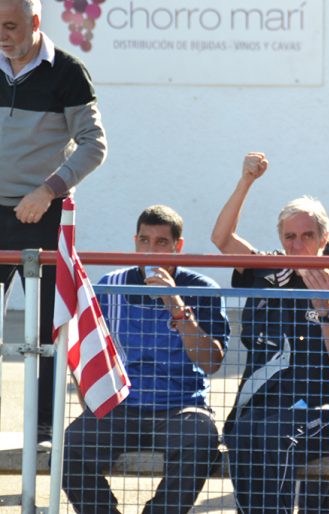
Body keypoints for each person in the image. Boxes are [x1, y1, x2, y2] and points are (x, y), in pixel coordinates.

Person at [211, 152, 329, 514]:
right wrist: (246, 181)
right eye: (289, 236)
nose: (297, 245)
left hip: (322, 410)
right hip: (262, 406)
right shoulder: (267, 272)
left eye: (307, 236)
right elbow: (222, 239)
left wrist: (324, 307)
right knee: (243, 434)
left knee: (274, 435)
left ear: (323, 239)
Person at [62, 205, 229, 514]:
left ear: (178, 247)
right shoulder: (111, 285)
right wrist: (94, 399)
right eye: (144, 241)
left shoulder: (203, 289)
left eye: (161, 243)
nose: (151, 251)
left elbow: (211, 362)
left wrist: (176, 305)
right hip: (123, 403)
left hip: (181, 404)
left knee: (202, 439)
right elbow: (86, 352)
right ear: (134, 242)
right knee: (68, 448)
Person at [0, 0, 107, 443]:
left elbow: (94, 145)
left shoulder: (68, 71)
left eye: (11, 25)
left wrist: (47, 191)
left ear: (36, 24)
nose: (2, 34)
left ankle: (43, 432)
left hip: (42, 214)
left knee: (45, 329)